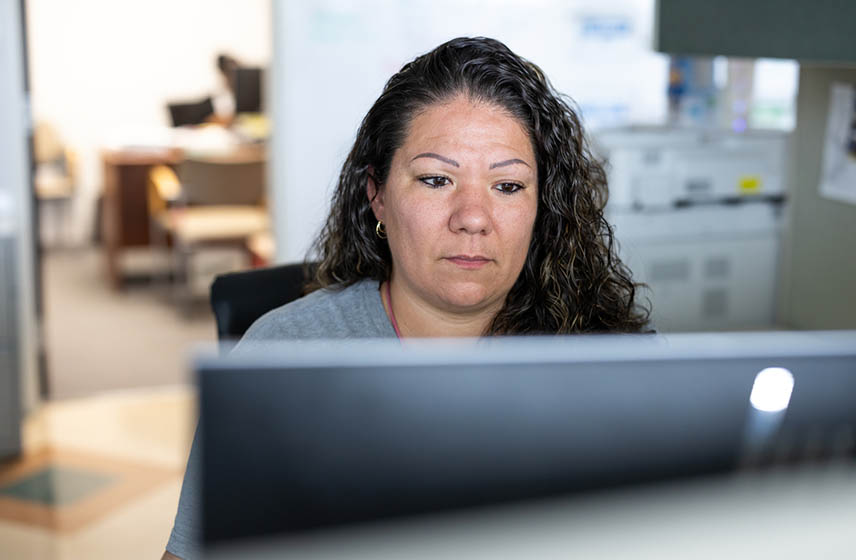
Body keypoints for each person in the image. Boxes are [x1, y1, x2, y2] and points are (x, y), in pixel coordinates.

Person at [162, 36, 649, 559]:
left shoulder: (616, 362)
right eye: (437, 179)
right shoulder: (282, 353)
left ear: (542, 207)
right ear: (378, 194)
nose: (473, 217)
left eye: (508, 186)